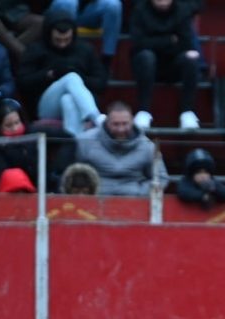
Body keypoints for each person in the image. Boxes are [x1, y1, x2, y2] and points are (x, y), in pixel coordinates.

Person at [16, 6, 106, 136]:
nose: (62, 44)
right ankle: (96, 117)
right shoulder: (36, 50)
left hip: (78, 102)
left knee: (68, 99)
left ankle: (74, 143)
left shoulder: (85, 50)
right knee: (71, 77)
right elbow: (23, 82)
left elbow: (100, 83)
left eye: (66, 40)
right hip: (45, 106)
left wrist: (81, 78)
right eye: (58, 40)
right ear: (49, 34)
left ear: (73, 34)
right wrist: (50, 74)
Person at [128, 0, 202, 131]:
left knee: (191, 59)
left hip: (173, 65)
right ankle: (143, 111)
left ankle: (187, 113)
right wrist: (169, 40)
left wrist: (154, 42)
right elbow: (138, 43)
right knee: (146, 56)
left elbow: (185, 43)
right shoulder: (139, 10)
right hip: (146, 66)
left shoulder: (183, 10)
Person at [75, 100, 169, 196]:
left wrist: (140, 193)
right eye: (115, 124)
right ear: (107, 122)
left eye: (125, 124)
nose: (121, 129)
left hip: (134, 202)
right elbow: (73, 174)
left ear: (132, 121)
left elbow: (161, 178)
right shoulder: (85, 141)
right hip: (93, 201)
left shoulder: (147, 147)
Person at [0, 97, 75, 192]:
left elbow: (68, 138)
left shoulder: (34, 133)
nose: (15, 128)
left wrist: (57, 170)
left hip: (45, 188)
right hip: (14, 194)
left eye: (17, 123)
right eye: (8, 126)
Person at [46, 0, 122, 75]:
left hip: (90, 11)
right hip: (65, 8)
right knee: (68, 2)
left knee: (114, 4)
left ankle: (106, 60)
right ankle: (64, 57)